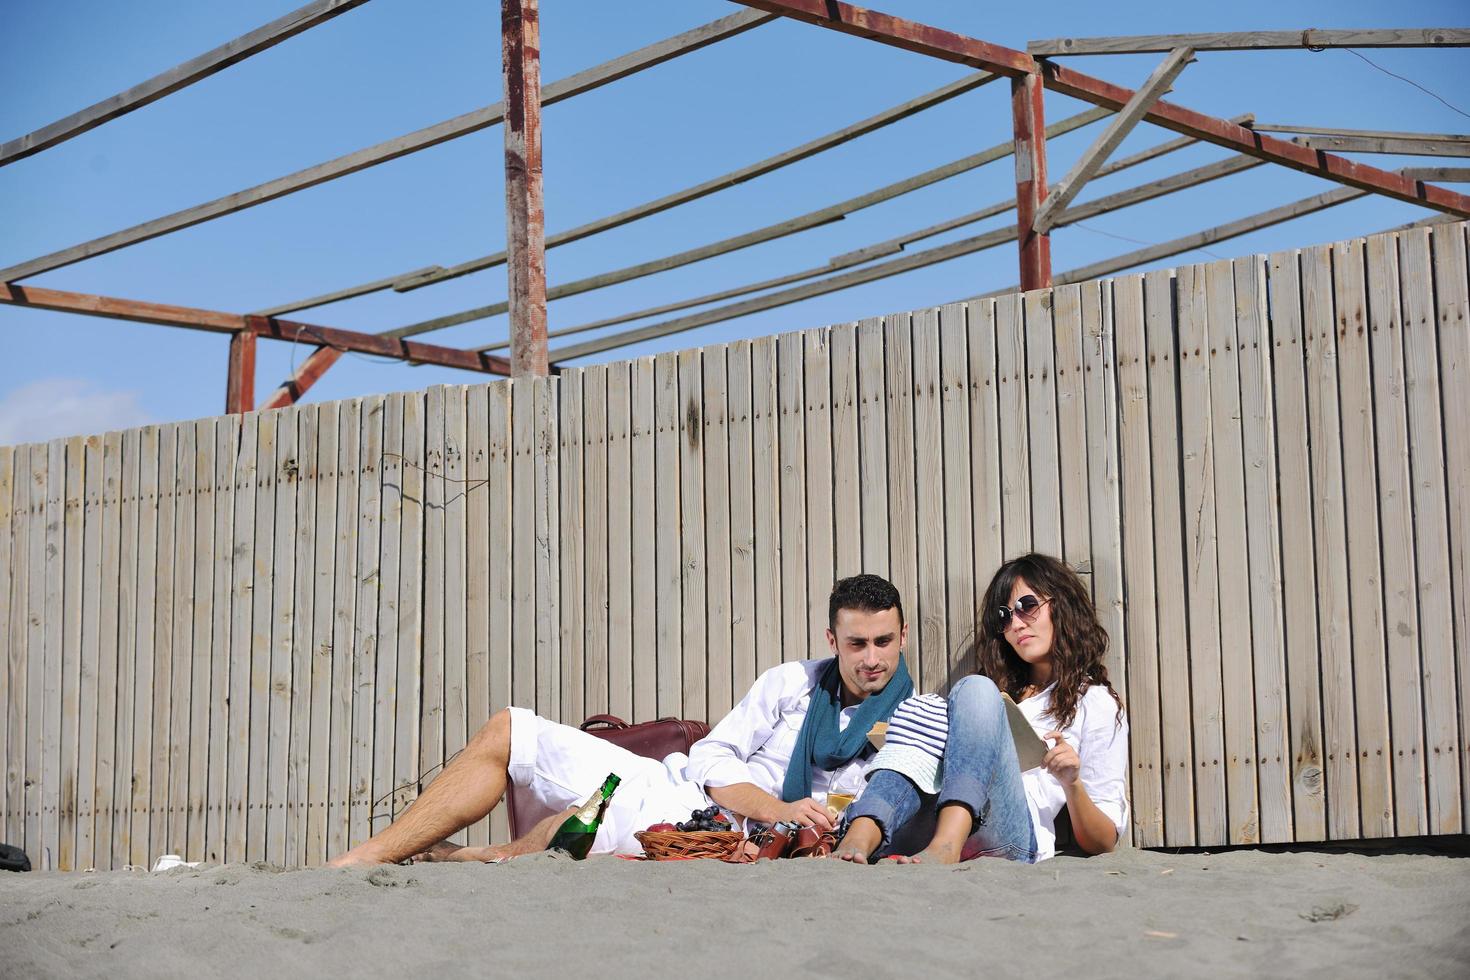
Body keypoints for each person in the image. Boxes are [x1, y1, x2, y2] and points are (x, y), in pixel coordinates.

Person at [329, 574, 914, 865]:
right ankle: (359, 862)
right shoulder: (794, 683)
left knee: (563, 839)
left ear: (903, 636)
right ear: (831, 639)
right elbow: (711, 758)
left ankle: (466, 858)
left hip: (715, 840)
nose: (870, 658)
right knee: (511, 729)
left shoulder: (918, 718)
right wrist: (779, 808)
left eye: (883, 641)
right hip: (673, 786)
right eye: (856, 643)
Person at [831, 553, 1128, 865]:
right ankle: (857, 839)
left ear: (1062, 605)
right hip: (935, 821)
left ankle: (944, 846)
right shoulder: (1000, 689)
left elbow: (1103, 840)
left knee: (975, 687)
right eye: (1004, 616)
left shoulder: (1094, 701)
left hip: (1011, 837)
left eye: (1027, 607)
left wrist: (1072, 784)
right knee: (924, 711)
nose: (1015, 624)